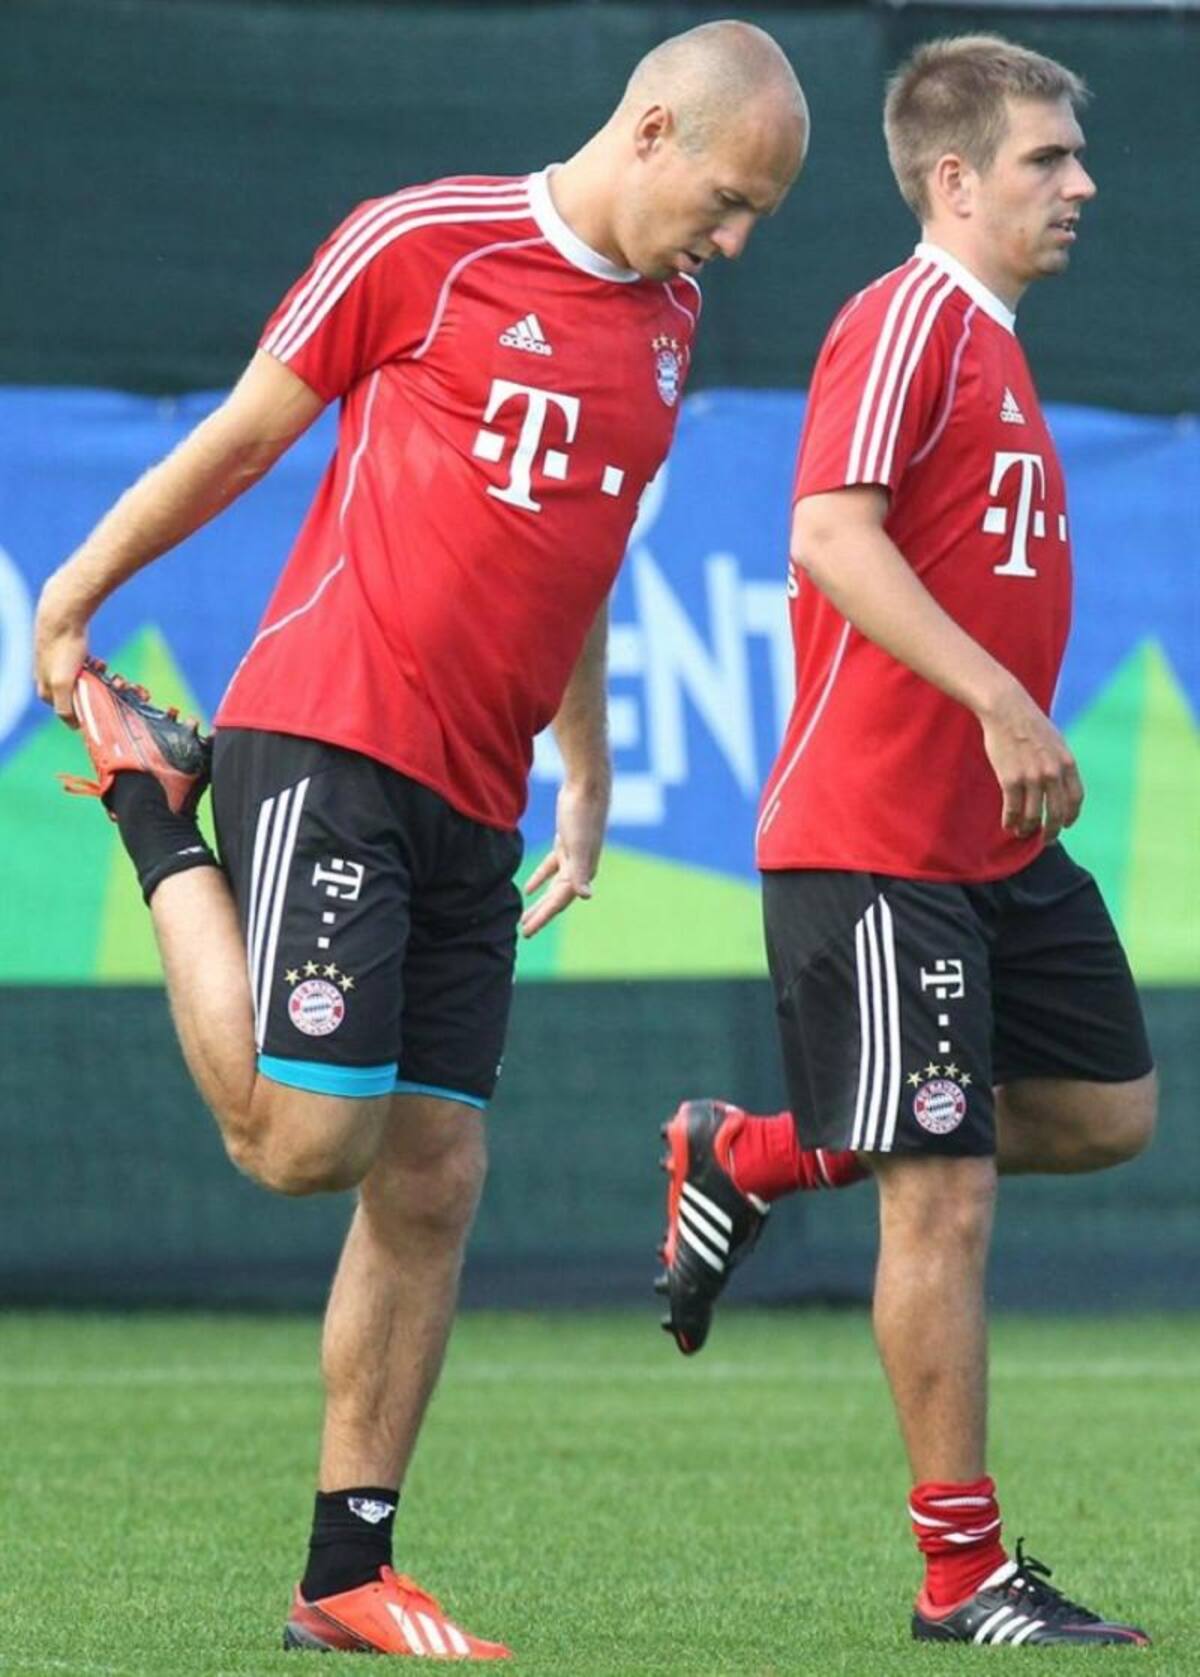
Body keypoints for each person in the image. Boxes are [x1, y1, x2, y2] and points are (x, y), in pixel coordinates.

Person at [34, 21, 808, 1661]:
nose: (735, 242)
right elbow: (246, 435)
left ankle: (346, 1574)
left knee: (435, 1176)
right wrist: (75, 592)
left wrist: (585, 773)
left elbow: (582, 553)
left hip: (479, 795)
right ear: (651, 130)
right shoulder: (424, 240)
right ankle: (153, 806)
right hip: (334, 733)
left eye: (758, 219)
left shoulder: (671, 324)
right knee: (305, 1144)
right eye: (729, 200)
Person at [655, 33, 1154, 1650]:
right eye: (1045, 159)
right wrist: (1003, 698)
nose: (1079, 184)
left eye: (1075, 156)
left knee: (1104, 1110)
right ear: (953, 179)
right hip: (876, 843)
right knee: (940, 1193)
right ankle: (965, 1576)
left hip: (987, 844)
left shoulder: (993, 345)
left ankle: (752, 1153)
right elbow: (826, 531)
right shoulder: (907, 317)